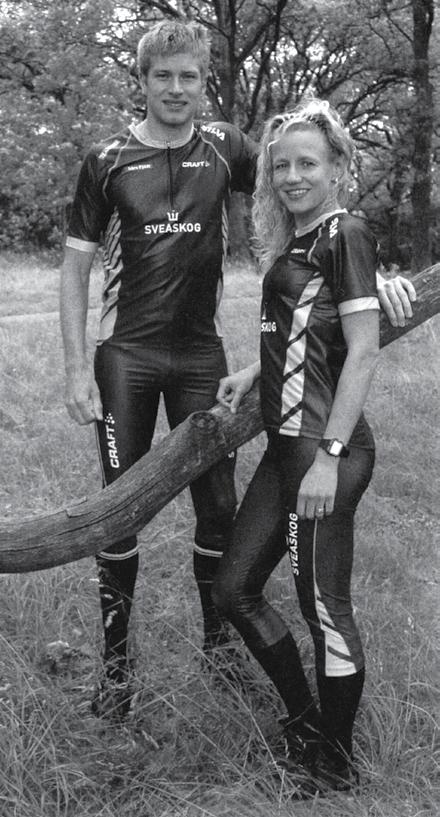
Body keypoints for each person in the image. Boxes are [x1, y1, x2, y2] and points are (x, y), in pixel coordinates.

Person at [60, 20, 415, 721]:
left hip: (201, 356)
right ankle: (118, 673)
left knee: (219, 511)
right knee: (120, 511)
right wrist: (76, 369)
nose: (177, 88)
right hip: (125, 357)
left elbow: (312, 191)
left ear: (204, 82)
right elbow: (74, 269)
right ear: (142, 81)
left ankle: (219, 653)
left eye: (189, 76)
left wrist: (378, 275)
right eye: (163, 76)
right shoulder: (105, 159)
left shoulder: (225, 145)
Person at [212, 99, 399, 794]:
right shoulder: (302, 240)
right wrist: (253, 370)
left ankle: (336, 765)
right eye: (282, 165)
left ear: (338, 167)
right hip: (286, 449)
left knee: (325, 609)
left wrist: (329, 455)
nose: (292, 176)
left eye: (307, 164)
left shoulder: (345, 232)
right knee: (235, 589)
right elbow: (307, 332)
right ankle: (303, 723)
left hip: (325, 453)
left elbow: (363, 350)